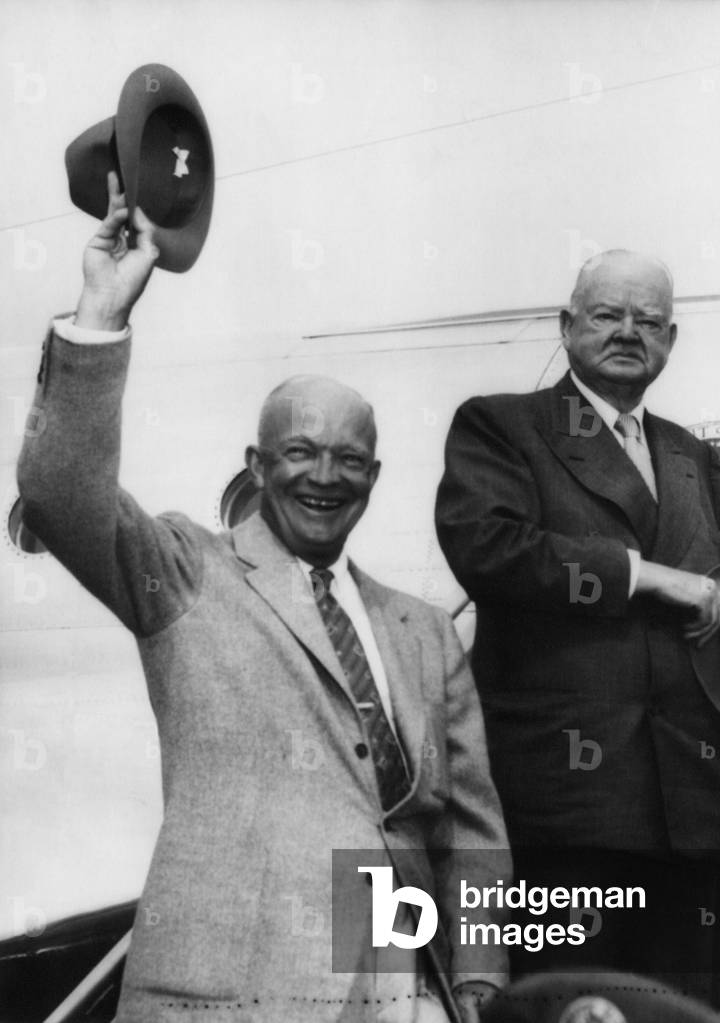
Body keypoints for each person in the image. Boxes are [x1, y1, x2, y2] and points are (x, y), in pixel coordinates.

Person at [17, 174, 511, 1023]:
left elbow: (472, 833)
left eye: (349, 460)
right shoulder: (184, 571)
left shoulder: (425, 630)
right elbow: (62, 495)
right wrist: (101, 311)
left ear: (375, 478)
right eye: (301, 451)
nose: (325, 476)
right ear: (257, 464)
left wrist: (476, 978)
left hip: (403, 980)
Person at [434, 249, 720, 1006]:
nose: (627, 333)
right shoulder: (502, 426)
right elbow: (490, 546)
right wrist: (644, 573)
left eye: (648, 321)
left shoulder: (691, 455)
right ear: (566, 325)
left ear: (670, 341)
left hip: (690, 816)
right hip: (564, 815)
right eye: (608, 315)